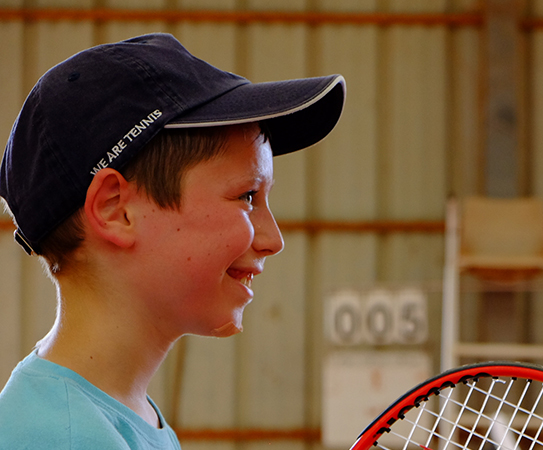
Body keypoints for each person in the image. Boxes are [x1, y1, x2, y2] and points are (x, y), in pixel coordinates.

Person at [0, 33, 345, 449]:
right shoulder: (67, 438)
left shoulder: (117, 416)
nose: (274, 239)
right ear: (115, 209)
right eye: (247, 196)